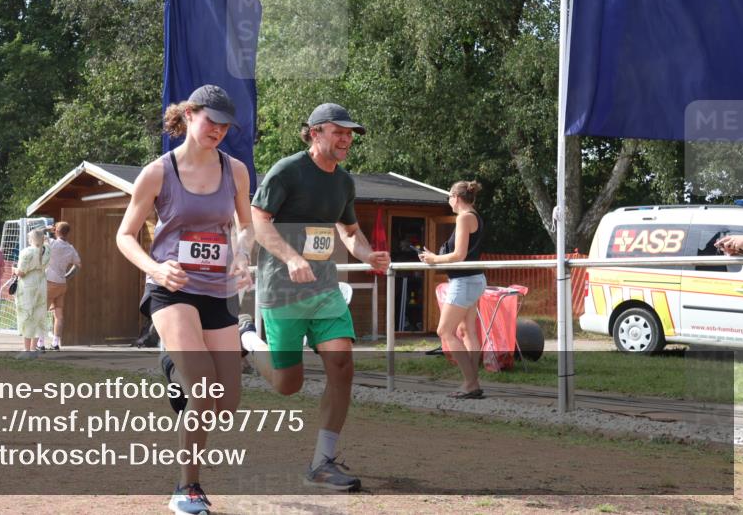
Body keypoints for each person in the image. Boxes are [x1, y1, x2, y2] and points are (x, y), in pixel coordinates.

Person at [116, 84, 253, 515]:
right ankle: (187, 487)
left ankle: (176, 367)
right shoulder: (158, 173)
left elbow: (245, 225)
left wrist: (242, 255)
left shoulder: (236, 171)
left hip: (218, 291)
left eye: (225, 126)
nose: (218, 131)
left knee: (225, 404)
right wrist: (156, 269)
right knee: (203, 387)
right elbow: (124, 235)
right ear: (190, 114)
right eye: (212, 121)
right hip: (171, 289)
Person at [239, 103, 390, 492]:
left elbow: (349, 231)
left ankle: (322, 462)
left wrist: (368, 254)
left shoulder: (344, 183)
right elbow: (259, 220)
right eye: (339, 132)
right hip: (283, 289)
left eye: (350, 134)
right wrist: (291, 257)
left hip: (324, 289)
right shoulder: (287, 171)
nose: (346, 140)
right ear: (316, 132)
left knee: (342, 364)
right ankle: (248, 339)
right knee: (288, 384)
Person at [419, 180, 486, 399]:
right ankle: (472, 382)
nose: (448, 200)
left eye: (449, 196)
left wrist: (434, 259)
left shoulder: (464, 218)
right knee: (468, 331)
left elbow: (459, 255)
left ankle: (470, 383)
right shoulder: (475, 216)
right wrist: (435, 257)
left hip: (464, 281)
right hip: (474, 279)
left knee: (444, 331)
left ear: (456, 198)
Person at [41, 222, 80, 351]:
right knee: (59, 315)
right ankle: (55, 343)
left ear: (56, 231)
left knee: (41, 313)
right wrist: (67, 276)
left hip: (49, 282)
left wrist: (47, 229)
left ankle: (40, 343)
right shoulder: (70, 248)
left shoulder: (52, 243)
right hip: (61, 284)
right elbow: (78, 265)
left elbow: (35, 234)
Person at [15, 229, 50, 355]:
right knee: (38, 315)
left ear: (31, 239)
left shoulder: (27, 252)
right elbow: (47, 243)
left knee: (27, 314)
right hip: (41, 283)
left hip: (28, 285)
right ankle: (34, 348)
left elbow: (21, 272)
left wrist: (14, 270)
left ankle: (27, 348)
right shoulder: (47, 250)